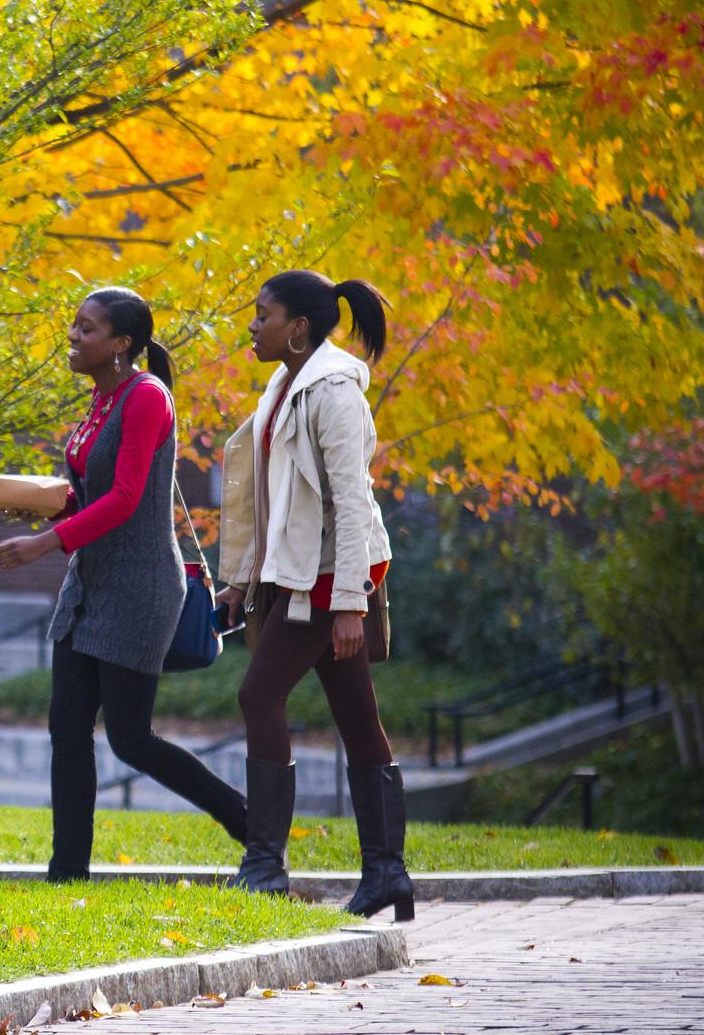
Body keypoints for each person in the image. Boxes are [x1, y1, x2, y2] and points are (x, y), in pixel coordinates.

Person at [0, 287, 248, 882]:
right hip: (88, 587)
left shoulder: (146, 398)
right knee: (67, 728)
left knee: (131, 738)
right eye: (73, 325)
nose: (73, 337)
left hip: (139, 589)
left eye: (87, 328)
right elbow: (92, 498)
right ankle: (66, 872)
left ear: (122, 343)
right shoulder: (99, 403)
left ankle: (250, 825)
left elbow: (128, 499)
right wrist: (45, 510)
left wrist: (44, 544)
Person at [213, 270, 411, 921]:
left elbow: (353, 501)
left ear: (297, 327)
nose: (252, 324)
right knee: (356, 715)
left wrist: (351, 600)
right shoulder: (284, 383)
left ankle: (265, 864)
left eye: (261, 313)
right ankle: (387, 873)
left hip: (330, 578)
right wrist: (241, 577)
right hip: (301, 571)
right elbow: (265, 498)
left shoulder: (334, 392)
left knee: (258, 693)